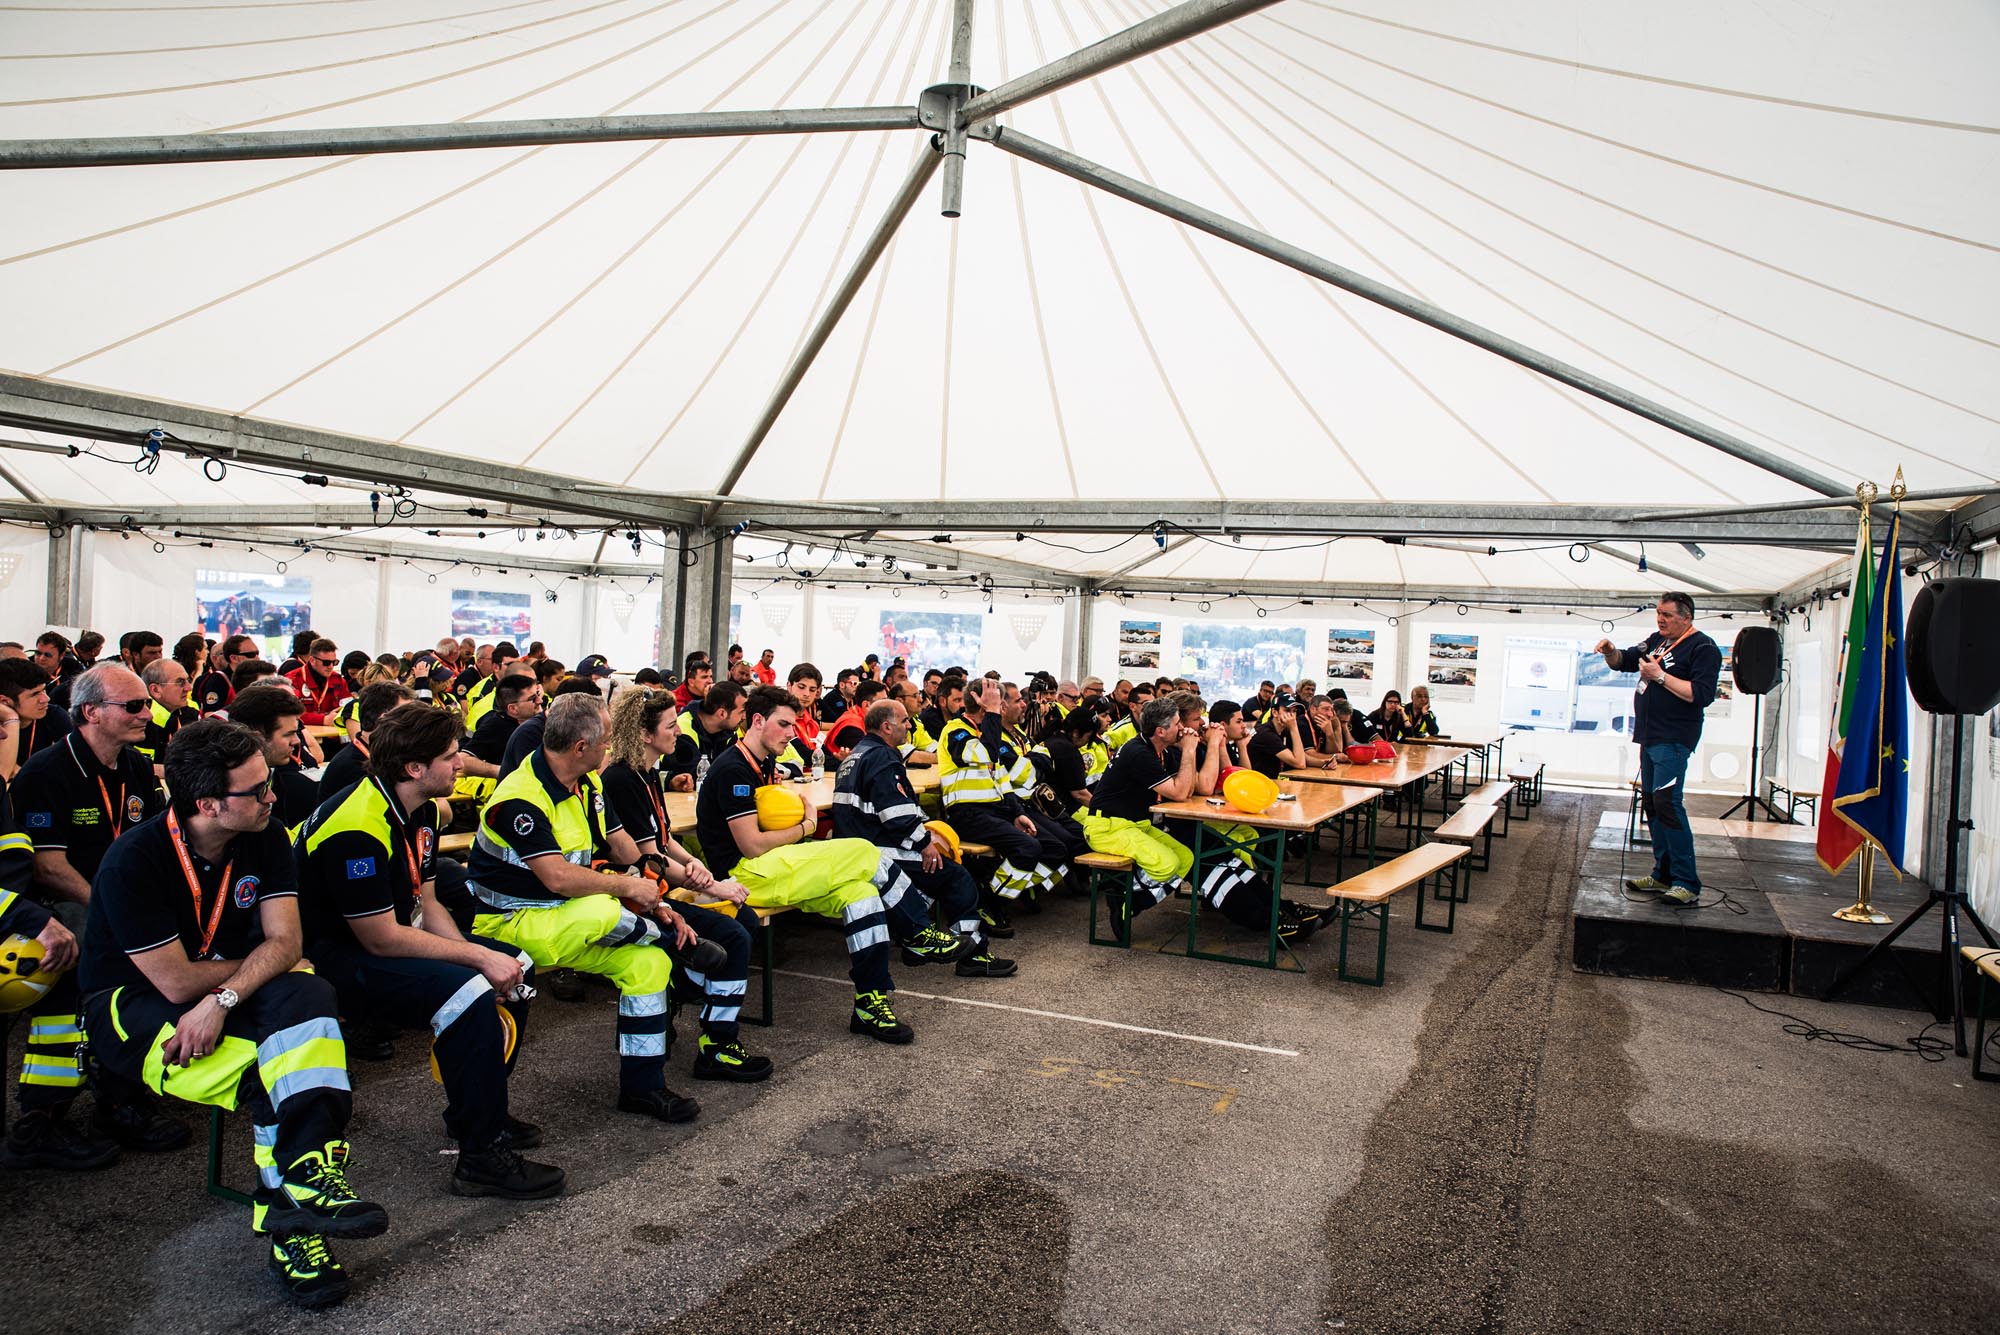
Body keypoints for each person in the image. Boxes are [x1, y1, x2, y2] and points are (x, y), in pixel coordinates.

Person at [79, 719, 387, 1307]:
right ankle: (295, 1219)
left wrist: (223, 997)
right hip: (131, 1008)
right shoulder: (133, 861)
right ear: (208, 804)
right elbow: (172, 982)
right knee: (281, 1067)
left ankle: (303, 1187)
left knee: (309, 993)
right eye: (258, 789)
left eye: (268, 783)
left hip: (217, 991)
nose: (273, 795)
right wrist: (250, 972)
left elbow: (288, 944)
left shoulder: (265, 836)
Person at [296, 704, 563, 1200]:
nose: (461, 763)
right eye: (449, 756)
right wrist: (476, 963)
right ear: (413, 768)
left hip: (389, 935)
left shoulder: (418, 808)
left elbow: (429, 901)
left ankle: (476, 1114)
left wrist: (474, 955)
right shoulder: (356, 825)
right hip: (334, 957)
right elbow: (380, 938)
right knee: (469, 991)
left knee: (516, 971)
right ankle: (480, 1158)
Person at [464, 695, 706, 1122]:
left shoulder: (588, 784)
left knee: (647, 964)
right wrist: (631, 891)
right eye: (606, 742)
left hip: (565, 917)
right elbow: (557, 877)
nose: (610, 751)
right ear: (580, 747)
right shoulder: (520, 797)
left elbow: (622, 847)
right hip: (511, 923)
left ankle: (643, 1086)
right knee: (604, 911)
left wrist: (656, 896)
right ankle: (676, 943)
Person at [693, 684, 922, 1044]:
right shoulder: (732, 769)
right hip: (743, 875)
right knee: (864, 851)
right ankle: (919, 930)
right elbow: (751, 846)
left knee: (862, 893)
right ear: (756, 721)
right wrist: (807, 826)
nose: (792, 733)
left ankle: (869, 1002)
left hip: (777, 867)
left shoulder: (764, 762)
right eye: (785, 725)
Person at [599, 688, 771, 1082]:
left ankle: (679, 990)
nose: (679, 730)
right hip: (638, 896)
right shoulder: (622, 779)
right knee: (734, 935)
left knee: (741, 921)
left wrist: (701, 870)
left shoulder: (646, 772)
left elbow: (665, 839)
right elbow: (649, 858)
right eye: (670, 725)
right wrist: (711, 884)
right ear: (644, 734)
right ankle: (717, 1044)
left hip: (655, 886)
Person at [833, 699, 1015, 977]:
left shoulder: (857, 755)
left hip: (860, 848)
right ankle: (973, 954)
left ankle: (913, 942)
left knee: (927, 880)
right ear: (886, 726)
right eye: (904, 721)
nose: (909, 726)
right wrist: (924, 843)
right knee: (956, 876)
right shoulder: (882, 757)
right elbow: (896, 814)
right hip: (878, 850)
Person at [1596, 594, 1722, 905]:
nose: (1660, 620)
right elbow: (1624, 662)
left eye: (1667, 615)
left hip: (1674, 738)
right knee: (1652, 804)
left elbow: (1702, 695)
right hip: (1650, 737)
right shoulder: (1657, 641)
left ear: (1686, 617)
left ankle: (1686, 882)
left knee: (1668, 804)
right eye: (1658, 614)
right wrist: (1610, 651)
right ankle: (1662, 873)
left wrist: (1660, 677)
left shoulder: (1703, 648)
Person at [939, 679, 1068, 934]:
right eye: (996, 701)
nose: (1000, 706)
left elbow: (1002, 780)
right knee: (1028, 848)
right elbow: (987, 753)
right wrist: (993, 713)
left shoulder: (986, 732)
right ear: (981, 702)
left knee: (1056, 849)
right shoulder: (955, 731)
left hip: (997, 811)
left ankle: (997, 890)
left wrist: (1018, 813)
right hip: (967, 813)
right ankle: (988, 902)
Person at [1081, 698, 1198, 936]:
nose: (1183, 728)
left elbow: (1188, 789)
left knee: (1185, 858)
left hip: (1134, 824)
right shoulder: (1139, 753)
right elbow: (1179, 792)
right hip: (1107, 827)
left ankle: (1131, 901)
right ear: (1160, 731)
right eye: (1177, 723)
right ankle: (1123, 893)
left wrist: (1188, 751)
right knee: (1167, 865)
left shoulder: (1156, 749)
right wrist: (1189, 749)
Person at [227, 684, 321, 832]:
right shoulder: (230, 798)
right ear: (258, 738)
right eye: (288, 734)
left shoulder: (277, 777)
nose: (296, 741)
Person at [318, 683, 414, 795]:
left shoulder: (382, 754)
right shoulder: (352, 767)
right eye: (407, 716)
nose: (412, 722)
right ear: (384, 720)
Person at [0, 658, 73, 779]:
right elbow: (3, 778)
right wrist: (11, 717)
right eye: (35, 694)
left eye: (44, 690)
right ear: (4, 701)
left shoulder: (53, 714)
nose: (46, 699)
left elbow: (73, 763)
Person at [463, 673, 542, 776]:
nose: (540, 700)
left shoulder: (544, 719)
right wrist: (503, 771)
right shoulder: (496, 726)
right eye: (532, 699)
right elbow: (464, 760)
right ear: (513, 708)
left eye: (538, 694)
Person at [135, 658, 196, 769]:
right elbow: (137, 767)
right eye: (180, 682)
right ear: (156, 690)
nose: (189, 688)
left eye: (188, 680)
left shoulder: (188, 712)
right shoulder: (142, 721)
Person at [286, 639, 351, 728]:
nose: (331, 667)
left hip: (333, 734)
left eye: (334, 662)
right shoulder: (292, 680)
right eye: (326, 663)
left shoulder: (338, 680)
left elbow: (349, 709)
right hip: (304, 735)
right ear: (312, 660)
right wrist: (323, 720)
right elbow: (290, 714)